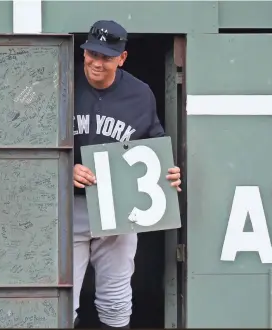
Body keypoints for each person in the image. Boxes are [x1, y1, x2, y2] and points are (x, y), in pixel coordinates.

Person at [72, 20, 182, 329]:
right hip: (70, 205)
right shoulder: (62, 83)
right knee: (60, 298)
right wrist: (63, 168)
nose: (96, 62)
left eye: (106, 57)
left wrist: (168, 171)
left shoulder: (139, 94)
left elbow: (153, 145)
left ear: (122, 58)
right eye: (92, 54)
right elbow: (34, 143)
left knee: (116, 300)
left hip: (119, 205)